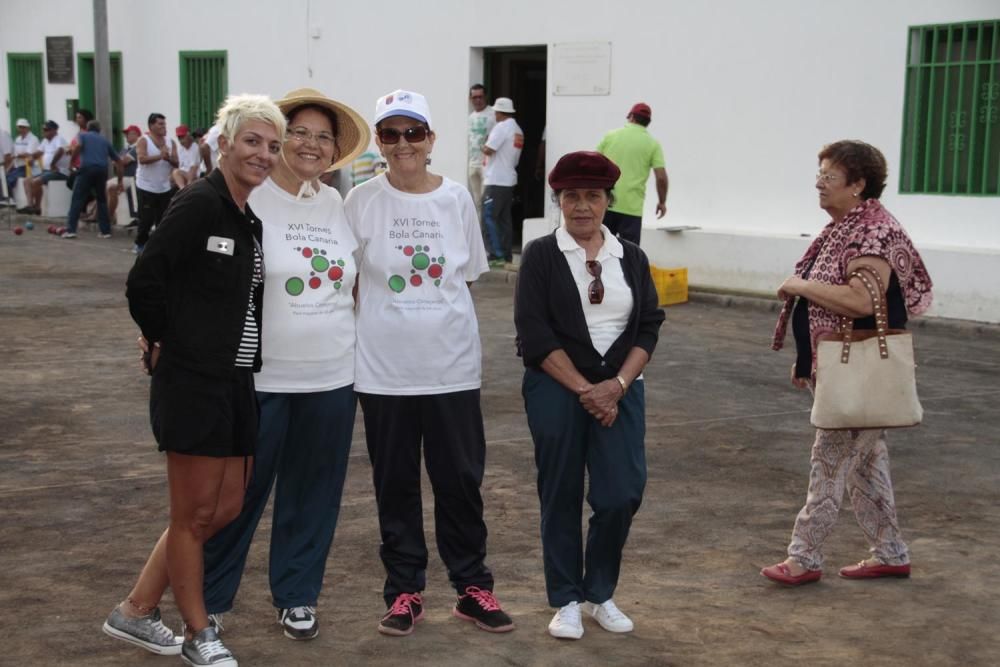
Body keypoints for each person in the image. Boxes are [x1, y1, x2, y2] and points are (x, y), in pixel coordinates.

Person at [105, 94, 284, 667]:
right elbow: (144, 281)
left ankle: (135, 610)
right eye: (252, 141)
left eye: (272, 146)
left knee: (225, 507)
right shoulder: (200, 204)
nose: (264, 153)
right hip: (194, 382)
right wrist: (162, 340)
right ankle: (197, 633)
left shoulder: (246, 216)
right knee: (193, 516)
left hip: (236, 382)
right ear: (223, 143)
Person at [201, 86, 369, 641]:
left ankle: (297, 594)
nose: (311, 145)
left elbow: (355, 284)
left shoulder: (336, 205)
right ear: (279, 138)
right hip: (259, 379)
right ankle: (211, 599)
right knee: (235, 497)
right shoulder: (245, 198)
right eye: (299, 132)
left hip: (331, 377)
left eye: (324, 137)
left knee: (313, 493)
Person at [344, 88, 514, 637]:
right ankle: (405, 592)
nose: (403, 144)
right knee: (395, 484)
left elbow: (464, 278)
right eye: (390, 134)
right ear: (379, 141)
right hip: (382, 373)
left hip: (451, 369)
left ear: (431, 139)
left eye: (413, 132)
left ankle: (471, 587)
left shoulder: (457, 200)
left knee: (460, 481)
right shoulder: (360, 201)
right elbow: (346, 285)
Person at [763, 140, 934, 586]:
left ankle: (804, 557)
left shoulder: (873, 231)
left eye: (829, 176)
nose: (819, 183)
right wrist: (806, 360)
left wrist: (799, 285)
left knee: (830, 462)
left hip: (859, 371)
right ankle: (891, 552)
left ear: (858, 184)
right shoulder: (846, 225)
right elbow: (825, 307)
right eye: (819, 174)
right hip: (841, 369)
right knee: (865, 465)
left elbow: (861, 300)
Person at [514, 151, 664, 640]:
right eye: (571, 197)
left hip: (621, 390)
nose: (582, 206)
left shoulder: (632, 258)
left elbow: (647, 326)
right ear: (558, 201)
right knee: (559, 492)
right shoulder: (540, 255)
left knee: (621, 494)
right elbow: (533, 334)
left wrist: (616, 386)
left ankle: (599, 593)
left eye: (592, 196)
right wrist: (587, 390)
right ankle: (566, 600)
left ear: (607, 201)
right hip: (557, 388)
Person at [596, 102, 668, 245]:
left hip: (606, 202)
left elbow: (594, 163)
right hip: (632, 208)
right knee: (630, 255)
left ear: (631, 116)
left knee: (599, 248)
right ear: (648, 123)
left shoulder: (610, 136)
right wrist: (662, 202)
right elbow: (661, 178)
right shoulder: (653, 144)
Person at [63, 120, 123, 239]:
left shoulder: (82, 135)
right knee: (101, 200)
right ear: (99, 130)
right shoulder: (105, 141)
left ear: (87, 128)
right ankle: (105, 231)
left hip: (86, 169)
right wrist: (120, 180)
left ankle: (71, 230)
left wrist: (71, 163)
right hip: (102, 171)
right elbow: (119, 161)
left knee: (77, 199)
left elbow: (78, 146)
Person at [481, 96, 523, 265]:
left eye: (495, 112)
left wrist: (484, 143)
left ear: (499, 112)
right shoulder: (517, 129)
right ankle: (506, 254)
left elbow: (488, 149)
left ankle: (496, 255)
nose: (494, 115)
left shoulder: (501, 128)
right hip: (508, 180)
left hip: (496, 179)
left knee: (489, 217)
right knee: (504, 219)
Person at [134, 112, 179, 253]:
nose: (163, 127)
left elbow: (177, 163)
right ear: (151, 126)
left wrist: (168, 158)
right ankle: (140, 244)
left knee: (163, 220)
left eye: (164, 124)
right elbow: (141, 159)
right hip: (146, 185)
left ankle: (158, 246)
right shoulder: (144, 140)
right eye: (160, 124)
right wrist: (160, 156)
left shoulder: (171, 142)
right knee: (146, 219)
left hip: (163, 187)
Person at [22, 120, 70, 214]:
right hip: (47, 171)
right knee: (27, 181)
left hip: (59, 171)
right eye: (43, 129)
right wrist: (32, 157)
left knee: (36, 181)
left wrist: (53, 163)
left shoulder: (59, 139)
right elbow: (38, 152)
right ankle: (30, 206)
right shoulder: (45, 141)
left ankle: (37, 206)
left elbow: (60, 150)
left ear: (54, 130)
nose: (44, 131)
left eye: (47, 129)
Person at [467, 83, 495, 220]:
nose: (478, 100)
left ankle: (486, 237)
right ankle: (479, 237)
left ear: (486, 97)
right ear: (470, 99)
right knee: (477, 203)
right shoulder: (470, 117)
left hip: (487, 165)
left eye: (480, 97)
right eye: (474, 97)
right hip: (472, 164)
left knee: (486, 203)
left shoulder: (493, 114)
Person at [106, 125, 142, 226]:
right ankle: (107, 215)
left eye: (129, 133)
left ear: (136, 134)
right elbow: (117, 161)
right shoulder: (125, 148)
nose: (126, 136)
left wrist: (119, 161)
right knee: (106, 186)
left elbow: (121, 162)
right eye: (126, 134)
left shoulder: (137, 147)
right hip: (123, 176)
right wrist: (119, 161)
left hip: (131, 177)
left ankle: (109, 216)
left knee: (110, 186)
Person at [6, 118, 39, 197]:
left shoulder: (33, 139)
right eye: (19, 127)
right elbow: (14, 156)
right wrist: (8, 169)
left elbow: (28, 154)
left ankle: (9, 199)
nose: (21, 129)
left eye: (23, 127)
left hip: (28, 167)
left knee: (10, 180)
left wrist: (17, 155)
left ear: (28, 128)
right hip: (18, 166)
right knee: (5, 178)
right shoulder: (18, 139)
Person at [172, 124, 201, 189]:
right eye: (179, 137)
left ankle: (184, 190)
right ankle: (183, 189)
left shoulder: (195, 147)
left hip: (194, 177)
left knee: (176, 172)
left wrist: (189, 183)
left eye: (182, 137)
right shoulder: (180, 149)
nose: (181, 140)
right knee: (173, 174)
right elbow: (180, 166)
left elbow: (194, 168)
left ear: (188, 135)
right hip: (183, 175)